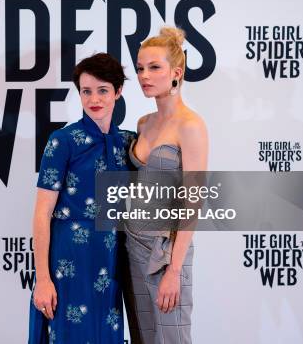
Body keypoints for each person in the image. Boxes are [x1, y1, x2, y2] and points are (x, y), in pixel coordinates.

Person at [28, 53, 135, 344]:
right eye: (86, 91)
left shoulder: (128, 142)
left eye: (102, 90)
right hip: (69, 262)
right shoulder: (62, 140)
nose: (94, 99)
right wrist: (43, 279)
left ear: (118, 92)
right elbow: (41, 213)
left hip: (112, 261)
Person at [124, 27, 208, 344]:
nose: (145, 75)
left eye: (154, 67)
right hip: (132, 245)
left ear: (177, 72)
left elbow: (193, 201)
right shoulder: (144, 123)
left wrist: (174, 270)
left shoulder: (191, 126)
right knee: (142, 338)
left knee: (173, 339)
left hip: (167, 253)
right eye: (141, 67)